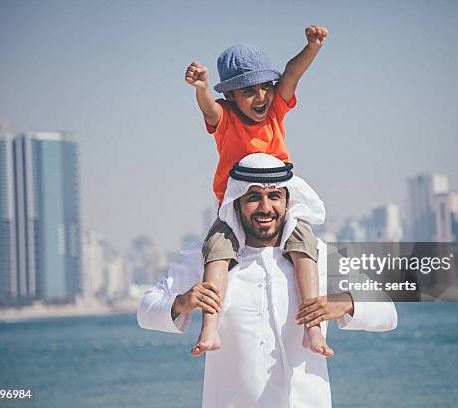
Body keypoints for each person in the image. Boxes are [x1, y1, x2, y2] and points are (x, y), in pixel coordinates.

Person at [137, 153, 398, 408]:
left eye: (274, 196)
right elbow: (145, 311)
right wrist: (181, 302)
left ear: (287, 201)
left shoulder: (320, 255)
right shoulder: (205, 260)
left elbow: (388, 313)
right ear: (236, 203)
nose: (265, 207)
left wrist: (346, 303)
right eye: (253, 197)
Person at [184, 25, 331, 357]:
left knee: (304, 247)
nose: (261, 97)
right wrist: (202, 87)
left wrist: (311, 48)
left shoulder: (276, 109)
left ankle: (313, 328)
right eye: (249, 91)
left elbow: (292, 75)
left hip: (279, 195)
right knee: (217, 252)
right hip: (235, 204)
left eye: (266, 87)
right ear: (231, 96)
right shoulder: (226, 119)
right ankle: (209, 328)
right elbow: (209, 108)